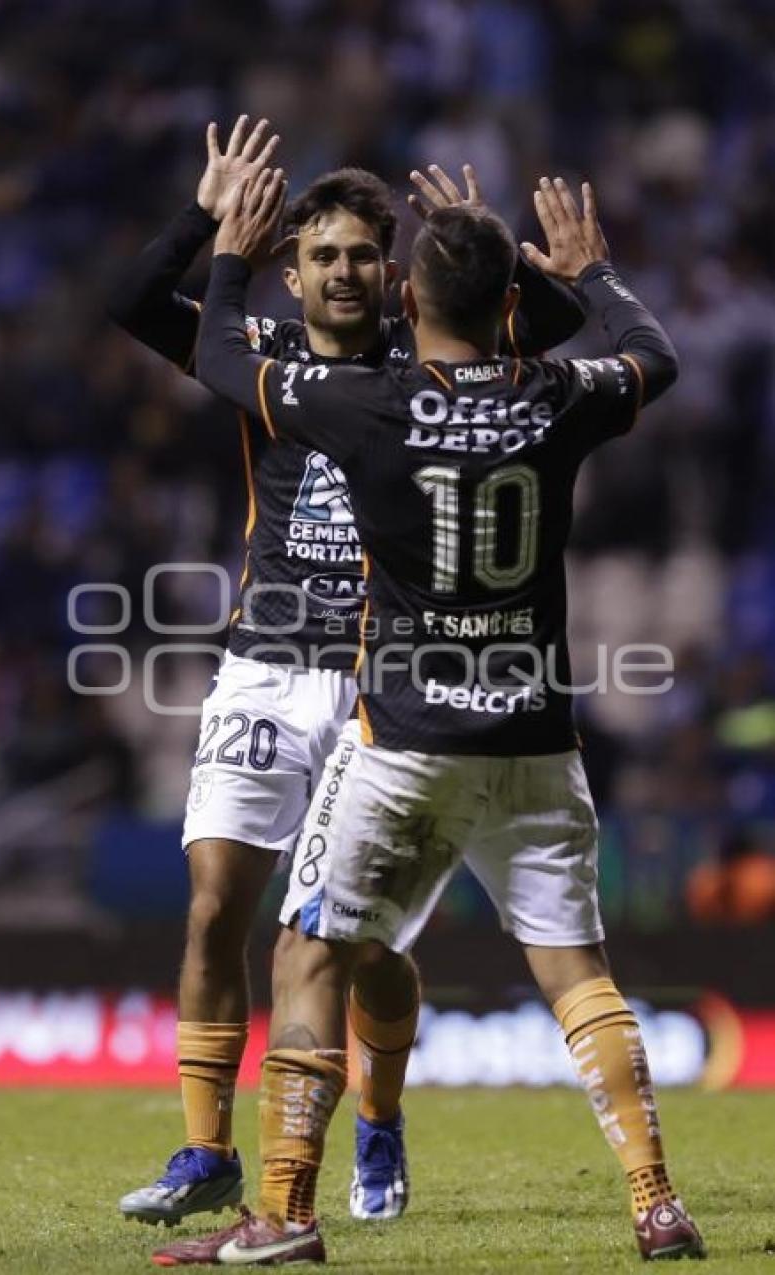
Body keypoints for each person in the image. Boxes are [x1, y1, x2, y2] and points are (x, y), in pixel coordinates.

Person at [151, 171, 705, 1266]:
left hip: (404, 742)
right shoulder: (559, 395)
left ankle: (284, 1218)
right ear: (509, 300)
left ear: (404, 297)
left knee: (310, 953)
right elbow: (653, 352)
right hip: (538, 742)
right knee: (577, 972)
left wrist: (226, 254)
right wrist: (586, 270)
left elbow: (218, 358)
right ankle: (654, 1202)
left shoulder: (365, 404)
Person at [109, 117, 586, 1226]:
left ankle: (376, 1121)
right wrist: (204, 217)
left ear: (393, 267)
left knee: (355, 944)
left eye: (364, 254)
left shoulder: (433, 357)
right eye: (322, 255)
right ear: (291, 266)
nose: (343, 272)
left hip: (383, 685)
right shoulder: (257, 356)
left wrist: (494, 247)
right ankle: (203, 1153)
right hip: (263, 668)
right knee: (216, 903)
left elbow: (554, 324)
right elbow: (134, 306)